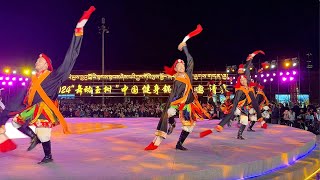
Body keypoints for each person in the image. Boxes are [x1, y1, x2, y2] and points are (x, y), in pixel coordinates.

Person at [0, 6, 96, 163]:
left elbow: (70, 57)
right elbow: (23, 99)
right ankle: (34, 138)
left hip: (45, 107)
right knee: (17, 122)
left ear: (46, 65)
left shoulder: (55, 76)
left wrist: (78, 31)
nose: (36, 62)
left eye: (40, 60)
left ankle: (48, 156)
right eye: (37, 60)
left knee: (44, 133)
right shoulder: (33, 80)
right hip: (33, 108)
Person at [145, 24, 209, 150]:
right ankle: (157, 140)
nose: (182, 66)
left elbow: (190, 60)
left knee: (189, 126)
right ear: (175, 69)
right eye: (179, 65)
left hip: (188, 103)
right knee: (166, 114)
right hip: (177, 102)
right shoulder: (176, 80)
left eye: (183, 64)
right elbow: (173, 95)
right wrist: (170, 106)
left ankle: (179, 144)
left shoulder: (188, 74)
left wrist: (184, 47)